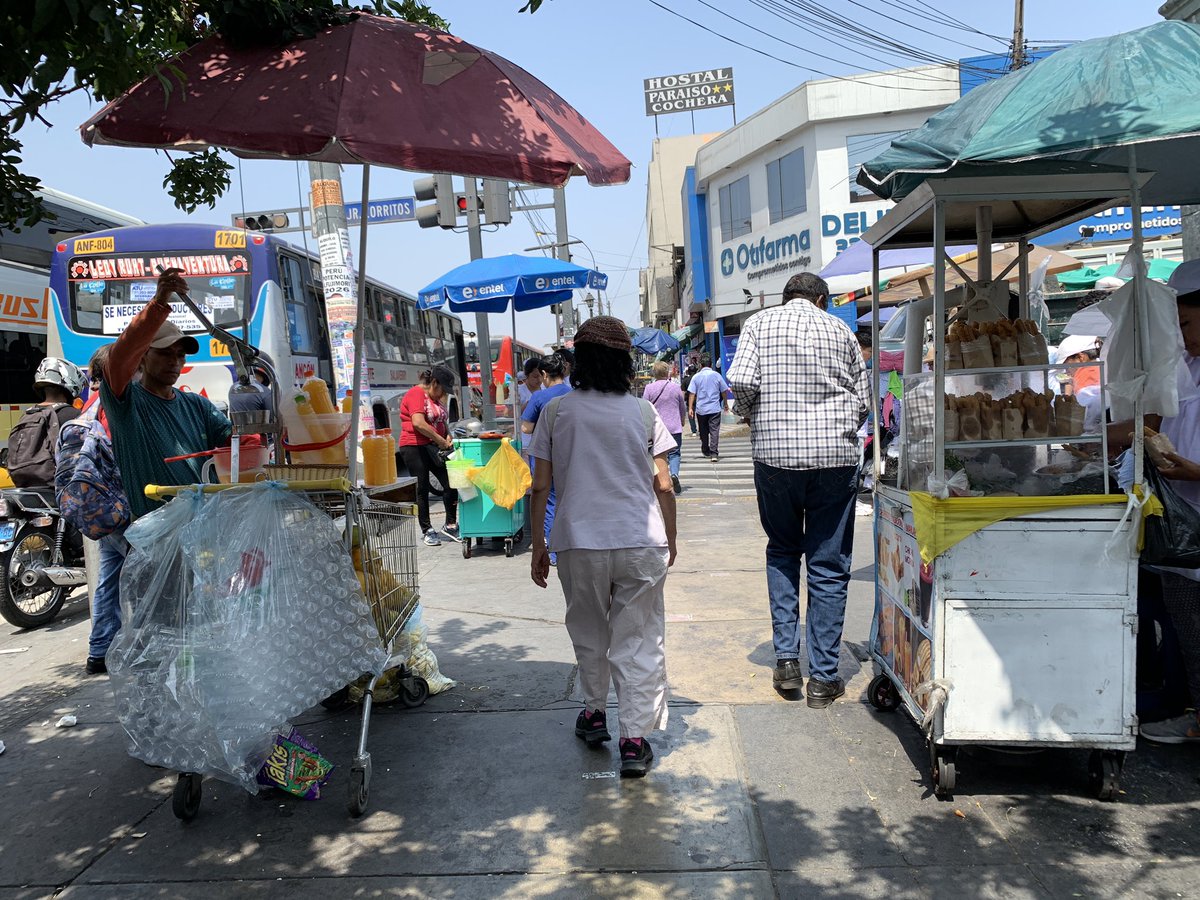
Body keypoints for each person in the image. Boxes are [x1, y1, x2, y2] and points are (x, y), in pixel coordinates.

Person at [527, 316, 678, 777]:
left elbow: (540, 487)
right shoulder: (643, 412)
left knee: (589, 630)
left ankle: (594, 715)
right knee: (638, 638)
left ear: (580, 361)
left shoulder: (556, 412)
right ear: (624, 361)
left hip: (578, 541)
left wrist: (539, 546)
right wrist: (671, 541)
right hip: (640, 541)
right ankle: (633, 741)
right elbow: (665, 484)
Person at [727, 272, 870, 707]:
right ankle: (824, 679)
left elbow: (744, 382)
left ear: (785, 297)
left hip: (775, 457)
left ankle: (787, 660)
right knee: (828, 564)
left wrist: (754, 415)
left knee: (784, 550)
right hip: (834, 459)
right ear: (822, 300)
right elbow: (863, 400)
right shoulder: (841, 329)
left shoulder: (758, 323)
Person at [1111, 260, 1200, 743]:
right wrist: (1097, 437)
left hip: (1193, 504)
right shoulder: (1182, 368)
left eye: (1185, 323)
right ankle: (1191, 708)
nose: (1181, 336)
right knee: (1188, 630)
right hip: (1180, 527)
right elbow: (1152, 424)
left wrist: (1194, 471)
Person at [102, 269, 233, 523]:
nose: (175, 362)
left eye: (180, 355)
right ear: (142, 356)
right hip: (156, 534)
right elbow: (118, 359)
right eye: (164, 353)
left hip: (203, 529)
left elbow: (235, 443)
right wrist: (159, 303)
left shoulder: (197, 405)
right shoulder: (126, 403)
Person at [61, 345, 125, 675]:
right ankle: (141, 646)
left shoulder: (87, 405)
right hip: (119, 506)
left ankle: (99, 650)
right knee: (150, 574)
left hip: (98, 507)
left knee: (108, 579)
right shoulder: (111, 405)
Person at [399, 365, 459, 546]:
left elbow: (441, 421)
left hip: (432, 446)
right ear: (434, 383)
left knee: (451, 483)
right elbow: (418, 423)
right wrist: (440, 440)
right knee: (422, 488)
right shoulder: (416, 394)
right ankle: (427, 530)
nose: (443, 395)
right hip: (414, 446)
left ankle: (450, 525)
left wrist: (447, 434)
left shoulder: (435, 399)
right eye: (442, 390)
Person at [522, 353, 573, 563]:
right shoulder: (574, 394)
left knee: (549, 500)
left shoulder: (540, 397)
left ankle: (554, 551)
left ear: (544, 374)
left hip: (545, 455)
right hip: (570, 454)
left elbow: (526, 428)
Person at [6, 358, 85, 488]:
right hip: (60, 490)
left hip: (25, 488)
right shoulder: (73, 415)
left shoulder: (27, 414)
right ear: (72, 385)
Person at [643, 361, 686, 494]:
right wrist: (682, 419)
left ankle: (663, 479)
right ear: (667, 372)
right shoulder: (675, 387)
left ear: (654, 373)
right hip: (674, 426)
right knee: (675, 453)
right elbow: (682, 406)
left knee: (659, 454)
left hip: (656, 428)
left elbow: (645, 407)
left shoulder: (649, 388)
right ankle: (674, 474)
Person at [687, 354, 732, 461]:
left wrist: (690, 408)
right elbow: (724, 390)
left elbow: (692, 393)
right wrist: (725, 403)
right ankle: (714, 453)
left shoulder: (696, 377)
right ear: (711, 365)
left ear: (700, 365)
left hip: (701, 409)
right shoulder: (717, 375)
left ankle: (705, 449)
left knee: (703, 431)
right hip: (714, 408)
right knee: (714, 431)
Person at [680, 363, 698, 435]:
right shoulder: (698, 378)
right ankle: (702, 428)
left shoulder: (685, 380)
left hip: (689, 400)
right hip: (700, 399)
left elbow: (683, 392)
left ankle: (694, 430)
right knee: (700, 414)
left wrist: (682, 400)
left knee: (691, 415)